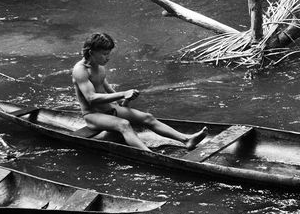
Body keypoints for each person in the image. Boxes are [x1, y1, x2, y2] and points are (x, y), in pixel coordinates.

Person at [72, 31, 205, 152]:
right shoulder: (80, 70)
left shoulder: (100, 67)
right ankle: (149, 154)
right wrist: (123, 93)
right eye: (104, 54)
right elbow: (91, 98)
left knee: (147, 117)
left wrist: (124, 99)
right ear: (91, 52)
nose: (108, 58)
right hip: (93, 116)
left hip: (110, 109)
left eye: (109, 54)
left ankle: (187, 140)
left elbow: (106, 88)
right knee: (124, 124)